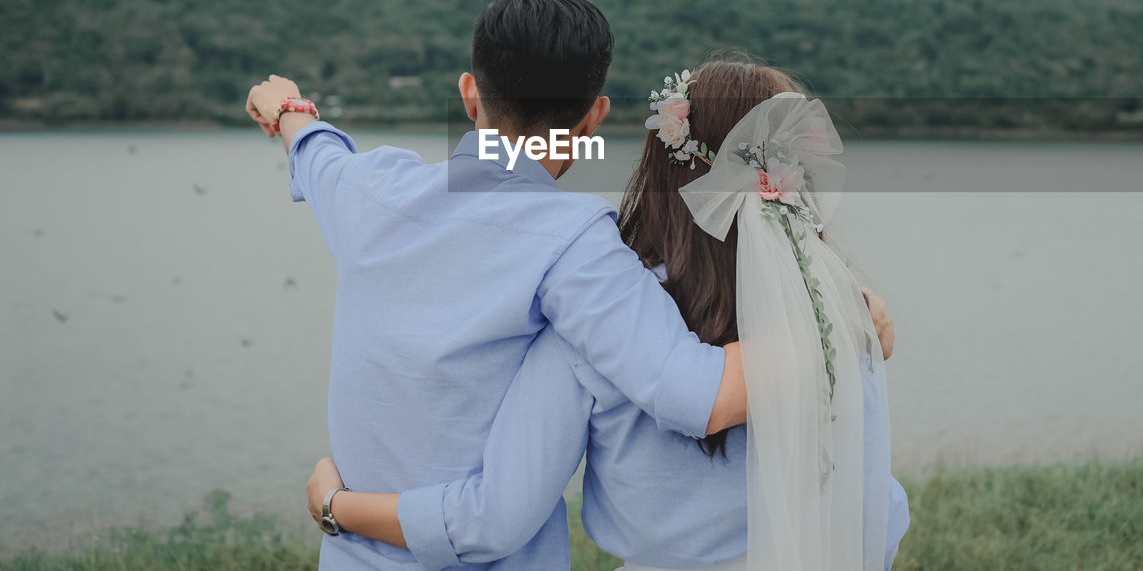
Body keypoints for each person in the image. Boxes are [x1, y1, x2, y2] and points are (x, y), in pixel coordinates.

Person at [305, 56, 909, 570]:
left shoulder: (597, 323)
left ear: (663, 160)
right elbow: (877, 514)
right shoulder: (840, 316)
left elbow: (493, 519)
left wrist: (337, 505)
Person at [244, 0, 751, 570]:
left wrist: (287, 108)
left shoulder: (370, 191)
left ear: (469, 93)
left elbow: (314, 151)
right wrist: (835, 315)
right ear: (594, 118)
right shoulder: (578, 241)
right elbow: (696, 393)